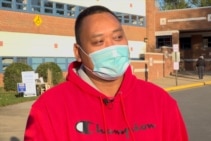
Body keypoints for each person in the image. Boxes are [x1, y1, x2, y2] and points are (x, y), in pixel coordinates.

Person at [24, 5, 188, 141]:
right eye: (99, 41)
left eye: (118, 37)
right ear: (78, 52)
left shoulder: (161, 102)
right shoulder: (49, 109)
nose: (112, 47)